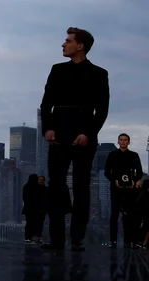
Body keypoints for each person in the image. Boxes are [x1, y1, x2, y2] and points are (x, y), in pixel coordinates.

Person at [40, 27, 110, 252]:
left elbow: (102, 109)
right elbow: (46, 103)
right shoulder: (57, 70)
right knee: (56, 186)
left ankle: (78, 238)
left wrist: (88, 134)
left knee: (81, 187)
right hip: (58, 132)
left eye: (68, 41)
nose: (63, 44)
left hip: (84, 134)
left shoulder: (99, 73)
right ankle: (57, 239)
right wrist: (48, 129)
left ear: (80, 45)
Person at [104, 133, 143, 248]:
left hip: (130, 190)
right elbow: (107, 172)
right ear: (118, 142)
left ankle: (129, 241)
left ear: (129, 142)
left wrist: (135, 181)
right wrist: (114, 180)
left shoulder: (134, 155)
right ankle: (113, 241)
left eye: (125, 140)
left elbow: (139, 171)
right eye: (121, 140)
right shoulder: (112, 155)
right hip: (116, 189)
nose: (123, 142)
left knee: (129, 216)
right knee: (114, 215)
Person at [23, 174, 48, 243]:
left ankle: (30, 237)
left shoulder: (28, 187)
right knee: (34, 224)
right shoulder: (35, 188)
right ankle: (32, 237)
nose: (41, 181)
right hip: (36, 210)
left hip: (36, 210)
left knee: (34, 224)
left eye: (42, 180)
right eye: (40, 180)